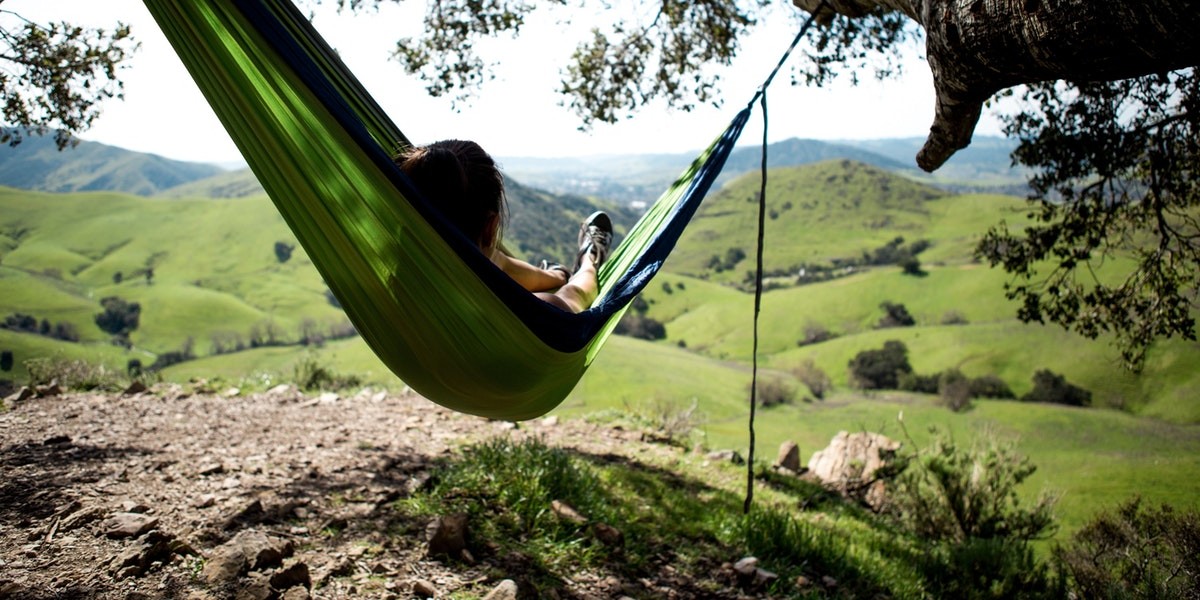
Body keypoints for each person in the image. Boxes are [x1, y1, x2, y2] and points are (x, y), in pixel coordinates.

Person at [395, 139, 613, 314]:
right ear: (491, 227)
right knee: (483, 260)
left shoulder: (386, 289)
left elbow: (497, 262)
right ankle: (590, 255)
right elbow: (580, 293)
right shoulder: (535, 313)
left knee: (487, 260)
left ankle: (557, 274)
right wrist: (587, 265)